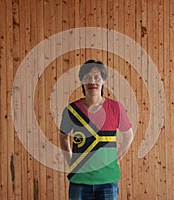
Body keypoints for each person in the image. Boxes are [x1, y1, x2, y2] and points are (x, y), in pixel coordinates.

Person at [59, 60, 134, 200]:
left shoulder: (115, 108)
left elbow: (129, 136)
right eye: (87, 77)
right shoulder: (72, 110)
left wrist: (118, 158)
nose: (92, 81)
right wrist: (71, 162)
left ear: (104, 80)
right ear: (81, 80)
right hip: (80, 180)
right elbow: (63, 136)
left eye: (97, 77)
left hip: (107, 180)